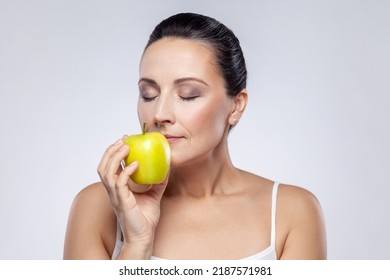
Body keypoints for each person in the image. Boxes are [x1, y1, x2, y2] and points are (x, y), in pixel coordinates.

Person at [63, 12, 326, 260]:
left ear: (236, 106)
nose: (159, 113)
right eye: (149, 94)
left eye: (188, 94)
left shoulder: (291, 212)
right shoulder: (97, 207)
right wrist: (136, 245)